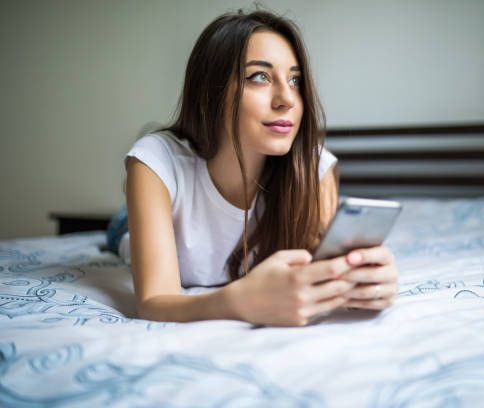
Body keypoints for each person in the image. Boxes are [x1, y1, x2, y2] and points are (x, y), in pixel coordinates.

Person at [112, 9, 398, 326]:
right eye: (259, 77)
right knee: (121, 232)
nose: (286, 99)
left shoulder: (313, 168)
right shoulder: (156, 160)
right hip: (127, 227)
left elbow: (325, 275)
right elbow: (153, 304)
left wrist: (364, 285)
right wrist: (239, 300)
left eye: (295, 81)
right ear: (210, 95)